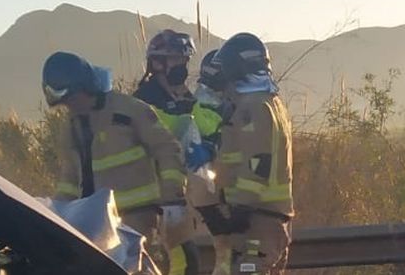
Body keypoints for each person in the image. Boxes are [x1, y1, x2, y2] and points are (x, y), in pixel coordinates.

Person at [43, 50, 187, 264]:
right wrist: (56, 214)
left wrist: (173, 198)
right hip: (94, 221)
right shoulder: (72, 126)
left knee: (137, 266)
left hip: (138, 215)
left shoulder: (129, 110)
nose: (69, 106)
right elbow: (70, 178)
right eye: (64, 103)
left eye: (71, 99)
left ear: (85, 86)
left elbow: (167, 149)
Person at [196, 34, 294, 275]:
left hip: (256, 219)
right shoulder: (271, 102)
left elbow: (258, 160)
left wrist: (238, 211)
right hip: (266, 216)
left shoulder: (253, 106)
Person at [134, 30, 223, 275]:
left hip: (183, 196)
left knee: (188, 260)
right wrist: (186, 122)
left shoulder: (184, 94)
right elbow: (164, 130)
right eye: (176, 60)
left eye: (184, 61)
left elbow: (206, 123)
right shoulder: (144, 100)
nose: (182, 66)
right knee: (183, 262)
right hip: (157, 198)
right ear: (157, 63)